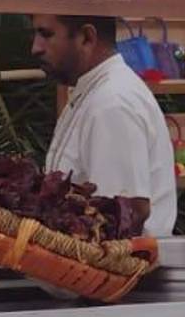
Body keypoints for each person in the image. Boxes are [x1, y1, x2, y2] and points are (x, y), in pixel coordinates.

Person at [32, 15, 176, 237]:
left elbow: (120, 220)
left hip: (121, 260)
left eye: (46, 35)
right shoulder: (94, 91)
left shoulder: (112, 102)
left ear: (87, 38)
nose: (36, 48)